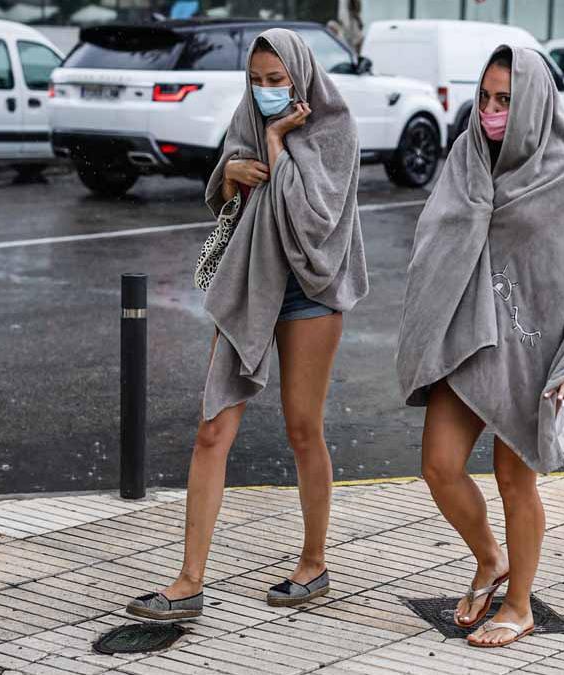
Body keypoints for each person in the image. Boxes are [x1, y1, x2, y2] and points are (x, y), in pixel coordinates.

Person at [125, 28, 368, 620]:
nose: (264, 91)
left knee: (303, 429)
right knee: (211, 428)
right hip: (249, 287)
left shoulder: (335, 130)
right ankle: (188, 581)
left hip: (311, 292)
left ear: (301, 76)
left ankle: (314, 565)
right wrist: (233, 172)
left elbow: (314, 223)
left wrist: (279, 144)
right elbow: (226, 195)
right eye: (256, 81)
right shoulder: (246, 117)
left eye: (276, 81)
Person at [395, 45, 564, 648]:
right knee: (438, 466)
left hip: (535, 345)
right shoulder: (467, 157)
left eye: (505, 100)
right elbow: (435, 239)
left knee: (517, 481)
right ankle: (490, 558)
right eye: (485, 97)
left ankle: (520, 604)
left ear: (534, 100)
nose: (490, 111)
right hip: (466, 337)